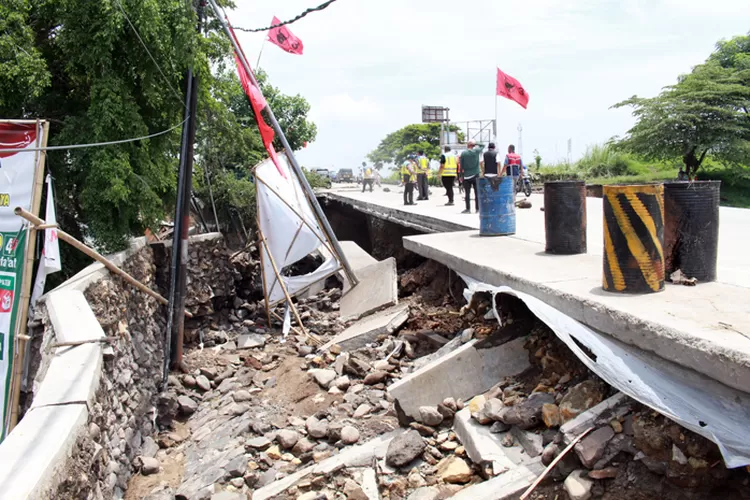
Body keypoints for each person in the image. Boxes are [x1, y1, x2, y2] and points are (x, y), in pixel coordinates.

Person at [459, 140, 483, 213]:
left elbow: (461, 166)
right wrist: (476, 143)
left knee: (467, 193)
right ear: (473, 145)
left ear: (468, 145)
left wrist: (461, 175)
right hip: (476, 174)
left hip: (466, 176)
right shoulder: (476, 151)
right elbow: (483, 145)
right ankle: (477, 209)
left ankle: (468, 209)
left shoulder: (463, 153)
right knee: (476, 193)